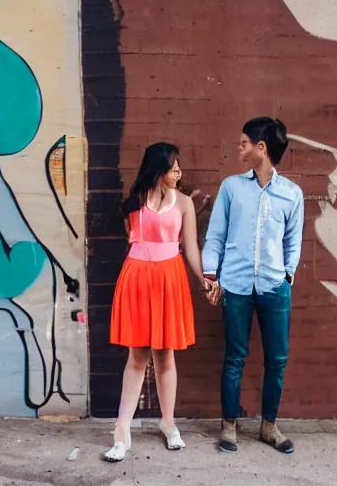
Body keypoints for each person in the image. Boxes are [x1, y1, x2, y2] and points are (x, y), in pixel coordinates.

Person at [105, 142, 213, 462]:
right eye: (172, 167)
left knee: (165, 355)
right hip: (138, 278)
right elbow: (132, 240)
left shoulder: (184, 204)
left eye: (179, 167)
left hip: (170, 278)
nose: (178, 172)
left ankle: (168, 423)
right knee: (137, 356)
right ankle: (121, 430)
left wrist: (202, 277)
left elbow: (190, 247)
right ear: (158, 169)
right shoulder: (135, 203)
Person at [203, 117, 304, 454]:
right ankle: (229, 427)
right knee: (234, 357)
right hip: (236, 286)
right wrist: (212, 275)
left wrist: (287, 276)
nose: (239, 148)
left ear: (262, 148)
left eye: (244, 143)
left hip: (275, 288)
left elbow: (294, 242)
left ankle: (268, 427)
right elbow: (215, 236)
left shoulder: (292, 194)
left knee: (277, 359)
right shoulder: (232, 188)